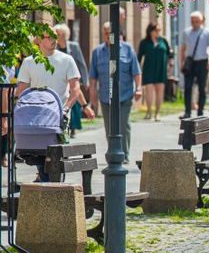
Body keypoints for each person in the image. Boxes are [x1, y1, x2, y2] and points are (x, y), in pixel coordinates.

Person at [7, 32, 90, 178]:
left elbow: (75, 89)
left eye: (55, 37)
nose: (54, 40)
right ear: (39, 40)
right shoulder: (29, 62)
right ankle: (46, 182)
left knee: (56, 157)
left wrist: (66, 108)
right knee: (40, 154)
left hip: (60, 116)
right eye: (50, 37)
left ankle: (49, 184)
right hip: (37, 117)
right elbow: (21, 91)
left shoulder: (67, 60)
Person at [90, 21, 141, 160]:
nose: (108, 36)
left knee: (123, 125)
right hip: (106, 96)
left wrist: (139, 89)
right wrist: (93, 94)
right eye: (105, 33)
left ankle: (124, 154)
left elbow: (136, 72)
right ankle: (113, 153)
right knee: (109, 127)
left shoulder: (128, 49)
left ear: (117, 34)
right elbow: (93, 76)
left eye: (110, 33)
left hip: (124, 95)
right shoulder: (97, 52)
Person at [54, 24, 89, 133]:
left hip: (73, 78)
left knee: (74, 103)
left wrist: (86, 81)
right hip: (62, 80)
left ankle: (73, 127)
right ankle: (67, 125)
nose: (56, 36)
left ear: (64, 35)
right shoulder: (54, 47)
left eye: (58, 34)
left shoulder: (74, 46)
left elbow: (82, 64)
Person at [179, 11, 209, 118]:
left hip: (202, 62)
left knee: (202, 88)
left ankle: (200, 111)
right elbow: (183, 48)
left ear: (201, 21)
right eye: (193, 21)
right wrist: (182, 62)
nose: (194, 23)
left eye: (197, 21)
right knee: (188, 87)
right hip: (190, 62)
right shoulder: (186, 32)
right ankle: (187, 111)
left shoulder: (206, 32)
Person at [137, 23, 170, 122]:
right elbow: (139, 57)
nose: (158, 32)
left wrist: (170, 65)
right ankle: (149, 112)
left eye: (159, 30)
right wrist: (137, 70)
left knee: (160, 91)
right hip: (149, 69)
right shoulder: (144, 42)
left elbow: (169, 53)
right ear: (150, 31)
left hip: (161, 69)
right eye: (156, 30)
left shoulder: (163, 41)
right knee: (149, 91)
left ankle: (157, 113)